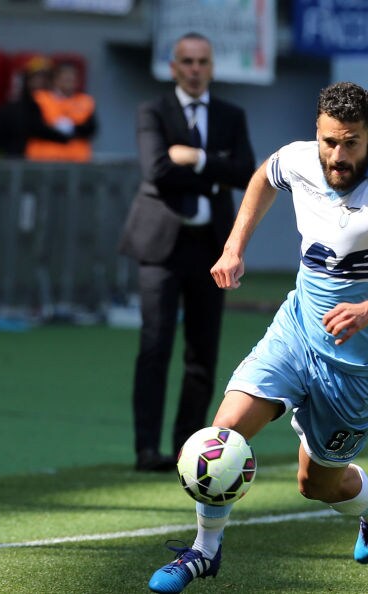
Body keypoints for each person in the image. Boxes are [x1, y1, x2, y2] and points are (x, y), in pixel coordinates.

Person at [146, 81, 368, 593]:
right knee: (222, 435)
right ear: (317, 132)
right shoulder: (298, 158)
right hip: (295, 332)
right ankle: (204, 551)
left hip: (356, 370)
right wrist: (234, 247)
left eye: (351, 142)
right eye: (329, 141)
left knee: (317, 485)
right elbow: (264, 177)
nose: (337, 156)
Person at [118, 32, 256, 472]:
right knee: (154, 347)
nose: (195, 69)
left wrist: (195, 160)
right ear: (173, 67)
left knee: (203, 353)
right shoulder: (153, 111)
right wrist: (215, 171)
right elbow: (157, 170)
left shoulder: (231, 115)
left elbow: (245, 173)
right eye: (187, 61)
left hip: (211, 250)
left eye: (202, 62)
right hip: (160, 247)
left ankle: (187, 449)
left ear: (212, 67)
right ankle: (146, 449)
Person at [0, 55, 57, 158]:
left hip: (56, 163)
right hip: (18, 163)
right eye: (37, 78)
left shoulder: (64, 109)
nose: (42, 82)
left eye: (47, 78)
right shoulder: (9, 110)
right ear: (27, 80)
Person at [25, 60, 98, 162]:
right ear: (55, 79)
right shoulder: (40, 98)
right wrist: (59, 133)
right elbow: (34, 127)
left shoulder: (85, 101)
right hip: (44, 159)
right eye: (65, 77)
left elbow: (91, 128)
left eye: (72, 78)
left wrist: (72, 128)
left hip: (76, 161)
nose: (69, 80)